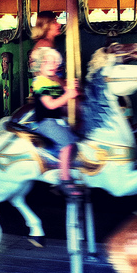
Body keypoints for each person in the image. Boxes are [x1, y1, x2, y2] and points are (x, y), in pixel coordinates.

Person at [30, 47, 80, 196]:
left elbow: (62, 101)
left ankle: (62, 170)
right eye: (47, 62)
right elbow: (50, 104)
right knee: (67, 144)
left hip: (57, 121)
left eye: (54, 62)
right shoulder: (39, 82)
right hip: (46, 122)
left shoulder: (52, 82)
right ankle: (64, 180)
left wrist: (71, 89)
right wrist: (68, 95)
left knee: (75, 141)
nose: (51, 65)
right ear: (40, 65)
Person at [28, 11, 61, 76]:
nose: (59, 24)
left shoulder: (48, 43)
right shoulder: (44, 44)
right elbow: (46, 74)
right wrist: (63, 81)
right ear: (46, 26)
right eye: (54, 22)